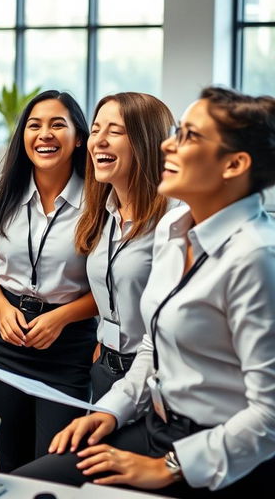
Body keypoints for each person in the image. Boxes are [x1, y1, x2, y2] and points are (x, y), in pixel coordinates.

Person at [14, 86, 275, 496]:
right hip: (157, 422)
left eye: (189, 135)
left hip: (218, 448)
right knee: (29, 483)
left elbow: (269, 415)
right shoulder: (176, 231)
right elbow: (153, 351)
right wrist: (109, 413)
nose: (168, 145)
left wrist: (170, 468)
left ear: (235, 164)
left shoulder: (257, 256)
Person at [0, 89, 98, 473]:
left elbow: (110, 288)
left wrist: (60, 318)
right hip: (3, 336)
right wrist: (2, 309)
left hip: (68, 343)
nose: (44, 134)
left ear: (78, 137)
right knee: (9, 459)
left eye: (58, 124)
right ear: (23, 136)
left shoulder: (99, 196)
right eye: (34, 125)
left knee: (53, 462)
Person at [76, 93, 174, 401]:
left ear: (147, 141)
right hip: (106, 365)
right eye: (95, 130)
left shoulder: (174, 219)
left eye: (115, 131)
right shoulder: (102, 212)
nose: (99, 141)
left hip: (157, 373)